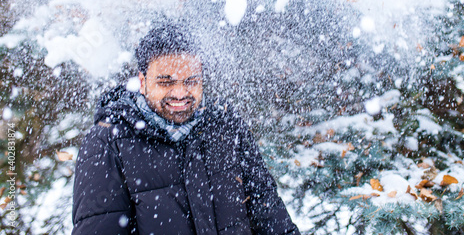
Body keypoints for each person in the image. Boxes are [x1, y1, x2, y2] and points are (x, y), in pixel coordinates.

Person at [72, 24, 300, 235]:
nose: (180, 93)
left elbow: (272, 218)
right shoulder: (108, 143)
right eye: (165, 82)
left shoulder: (226, 127)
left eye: (191, 80)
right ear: (142, 82)